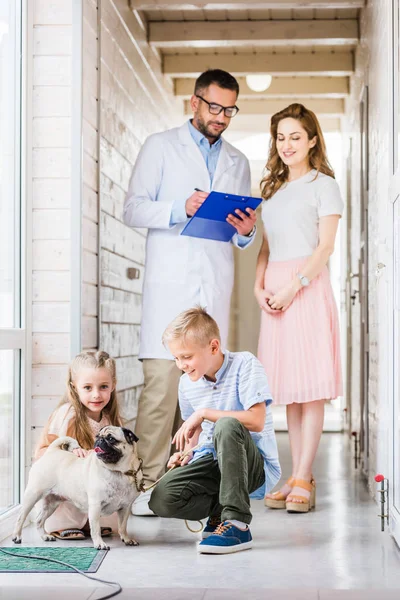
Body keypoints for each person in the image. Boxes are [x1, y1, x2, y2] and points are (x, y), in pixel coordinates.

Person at [123, 69, 257, 515]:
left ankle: (183, 489)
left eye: (230, 109)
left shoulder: (237, 160)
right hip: (171, 285)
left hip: (213, 286)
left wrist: (245, 232)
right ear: (195, 103)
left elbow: (238, 233)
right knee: (162, 392)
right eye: (214, 106)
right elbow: (133, 208)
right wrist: (178, 208)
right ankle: (143, 486)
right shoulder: (161, 146)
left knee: (202, 395)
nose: (221, 116)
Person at [255, 103, 344, 513]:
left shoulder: (323, 184)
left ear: (311, 140)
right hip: (275, 296)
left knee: (311, 391)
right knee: (289, 392)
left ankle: (305, 476)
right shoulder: (272, 189)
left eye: (296, 136)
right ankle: (295, 474)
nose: (287, 144)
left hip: (306, 290)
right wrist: (259, 287)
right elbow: (267, 246)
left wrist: (295, 286)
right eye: (281, 137)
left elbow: (324, 247)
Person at [149, 307, 281, 554]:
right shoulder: (186, 383)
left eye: (186, 357)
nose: (181, 366)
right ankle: (219, 514)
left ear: (213, 347)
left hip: (251, 465)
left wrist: (204, 412)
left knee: (227, 425)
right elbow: (195, 433)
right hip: (212, 460)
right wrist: (187, 454)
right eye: (176, 358)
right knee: (161, 499)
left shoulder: (245, 364)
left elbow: (256, 420)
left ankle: (238, 524)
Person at [36, 350, 122, 539]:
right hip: (67, 486)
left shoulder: (108, 419)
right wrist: (72, 455)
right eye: (88, 388)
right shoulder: (67, 415)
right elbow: (44, 453)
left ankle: (91, 523)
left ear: (113, 385)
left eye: (104, 386)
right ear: (74, 387)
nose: (96, 395)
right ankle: (67, 523)